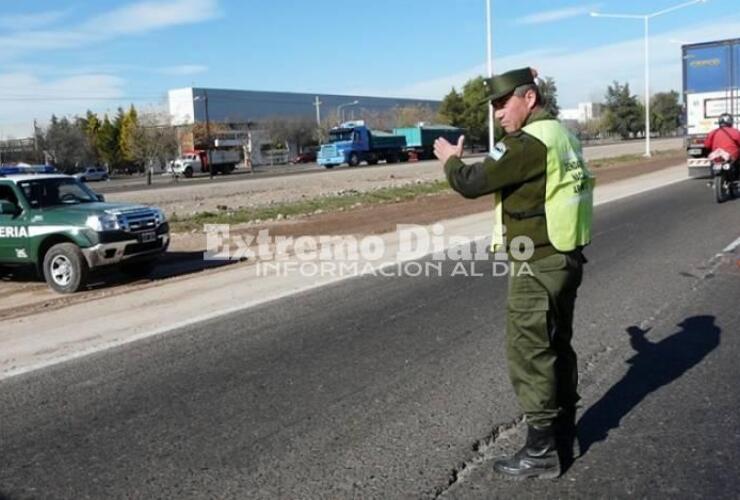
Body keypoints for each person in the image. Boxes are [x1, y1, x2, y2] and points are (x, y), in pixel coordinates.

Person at [434, 67, 594, 479]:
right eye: (493, 108)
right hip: (565, 256)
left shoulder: (526, 144)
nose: (498, 116)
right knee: (558, 345)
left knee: (530, 352)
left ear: (529, 98)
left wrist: (451, 161)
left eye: (502, 105)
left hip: (537, 262)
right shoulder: (563, 134)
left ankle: (541, 451)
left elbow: (472, 182)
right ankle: (563, 436)